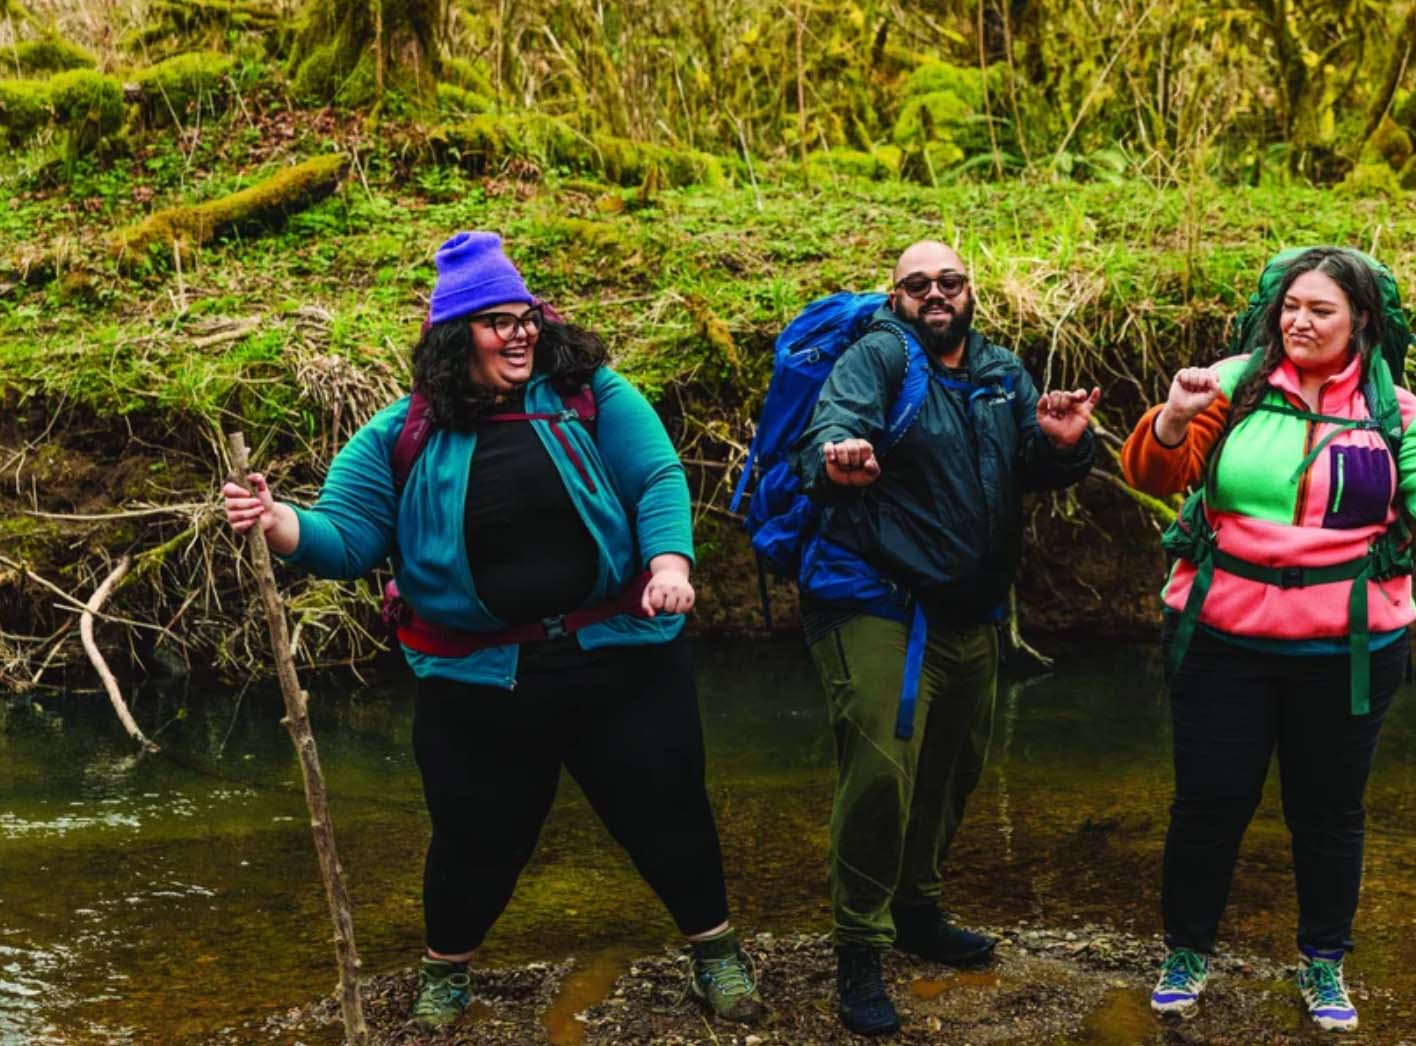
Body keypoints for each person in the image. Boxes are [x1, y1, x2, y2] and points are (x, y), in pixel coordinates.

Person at [220, 231, 765, 1031]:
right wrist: (274, 521)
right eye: (497, 322)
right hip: (476, 678)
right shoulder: (398, 435)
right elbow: (346, 537)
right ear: (453, 340)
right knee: (476, 838)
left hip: (619, 659)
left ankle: (717, 955)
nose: (521, 334)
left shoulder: (593, 395)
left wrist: (669, 566)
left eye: (526, 317)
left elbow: (655, 478)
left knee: (667, 811)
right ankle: (447, 975)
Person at [1119, 247, 1416, 1033]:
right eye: (1291, 307)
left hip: (1349, 652)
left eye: (1321, 310)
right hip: (1220, 638)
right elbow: (1154, 470)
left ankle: (1322, 963)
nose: (1299, 322)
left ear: (1359, 324)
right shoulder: (1236, 384)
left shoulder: (1396, 413)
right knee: (1210, 803)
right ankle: (1187, 952)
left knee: (1328, 811)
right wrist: (1175, 414)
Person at [794, 241, 1100, 1034]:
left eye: (951, 282)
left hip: (970, 609)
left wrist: (1062, 442)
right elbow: (827, 437)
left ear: (972, 292)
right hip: (875, 598)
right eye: (918, 284)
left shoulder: (1002, 371)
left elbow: (1023, 467)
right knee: (880, 774)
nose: (937, 294)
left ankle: (917, 912)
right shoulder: (876, 358)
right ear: (895, 296)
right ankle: (860, 949)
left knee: (952, 770)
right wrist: (842, 460)